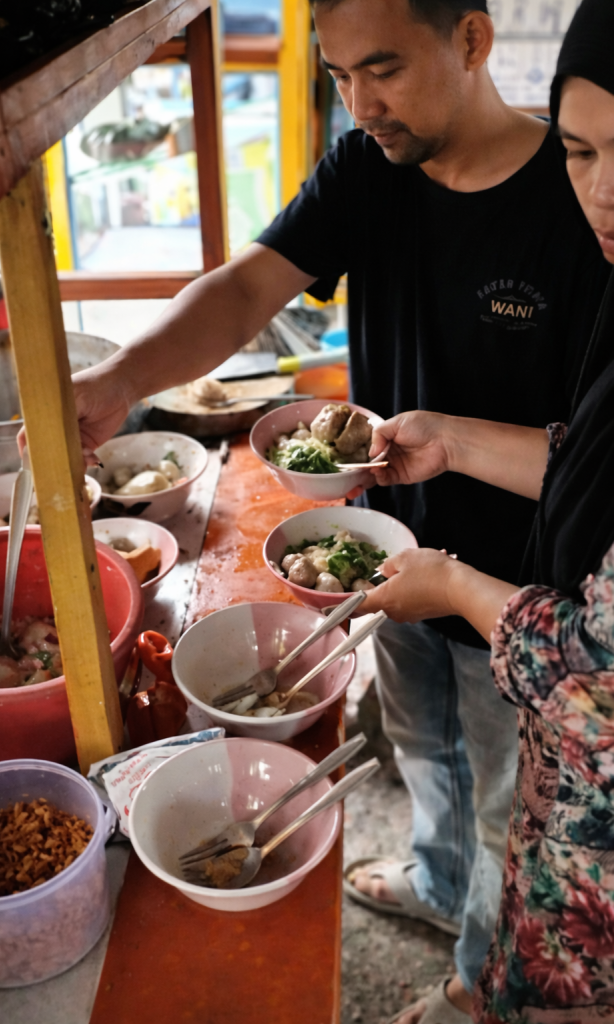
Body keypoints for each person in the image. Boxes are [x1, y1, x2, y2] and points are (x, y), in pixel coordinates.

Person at [69, 0, 609, 1017]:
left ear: (470, 39)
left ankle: (477, 982)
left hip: (517, 594)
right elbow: (243, 292)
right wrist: (115, 379)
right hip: (381, 561)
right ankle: (434, 883)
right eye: (336, 78)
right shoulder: (369, 167)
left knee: (509, 808)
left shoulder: (577, 198)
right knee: (421, 749)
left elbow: (589, 461)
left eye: (384, 69)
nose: (360, 104)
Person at [356, 3, 614, 1017]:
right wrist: (453, 441)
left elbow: (596, 688)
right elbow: (592, 468)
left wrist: (455, 585)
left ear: (467, 43)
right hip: (565, 826)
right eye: (582, 150)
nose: (602, 191)